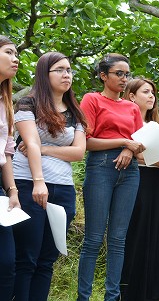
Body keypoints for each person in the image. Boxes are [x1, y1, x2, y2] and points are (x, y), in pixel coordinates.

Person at [12, 52, 87, 301]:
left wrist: (45, 148)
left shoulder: (75, 112)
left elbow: (78, 152)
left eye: (69, 70)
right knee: (27, 257)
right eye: (60, 70)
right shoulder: (28, 104)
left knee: (47, 258)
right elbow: (29, 144)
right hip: (29, 184)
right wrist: (38, 181)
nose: (67, 75)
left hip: (63, 188)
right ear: (45, 74)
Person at [77, 53, 145, 301]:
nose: (124, 78)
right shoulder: (92, 99)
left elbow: (141, 140)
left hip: (130, 172)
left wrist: (129, 148)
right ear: (103, 76)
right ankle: (83, 297)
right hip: (101, 167)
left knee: (118, 239)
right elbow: (86, 142)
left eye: (127, 74)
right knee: (93, 239)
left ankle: (112, 296)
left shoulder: (132, 107)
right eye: (119, 73)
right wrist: (124, 142)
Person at [120, 78, 159, 301]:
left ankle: (152, 291)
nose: (152, 96)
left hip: (154, 182)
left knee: (154, 232)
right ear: (131, 96)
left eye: (153, 92)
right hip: (134, 180)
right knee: (136, 232)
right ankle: (129, 292)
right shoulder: (124, 121)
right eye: (146, 92)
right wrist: (150, 159)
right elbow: (129, 156)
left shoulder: (155, 125)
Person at [0, 36, 21, 300]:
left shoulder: (6, 104)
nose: (15, 58)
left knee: (7, 263)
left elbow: (7, 151)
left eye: (17, 53)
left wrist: (12, 191)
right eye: (9, 52)